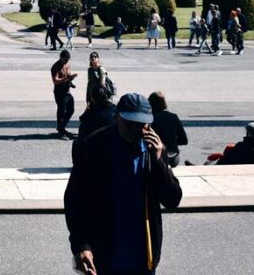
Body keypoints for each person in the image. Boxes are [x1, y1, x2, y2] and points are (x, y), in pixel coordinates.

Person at [65, 92, 183, 275]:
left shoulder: (154, 151)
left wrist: (160, 162)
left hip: (143, 259)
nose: (137, 131)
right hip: (106, 257)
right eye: (130, 124)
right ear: (116, 117)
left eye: (142, 125)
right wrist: (81, 245)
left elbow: (172, 200)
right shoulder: (94, 147)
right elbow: (75, 200)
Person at [149, 91, 188, 168]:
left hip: (157, 157)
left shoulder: (150, 119)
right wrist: (171, 141)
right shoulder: (173, 116)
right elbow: (184, 140)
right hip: (173, 158)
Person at [51, 50, 78, 139]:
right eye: (65, 60)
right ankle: (61, 131)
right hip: (59, 92)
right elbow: (55, 81)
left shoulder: (67, 65)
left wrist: (71, 77)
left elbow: (68, 75)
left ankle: (61, 127)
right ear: (61, 58)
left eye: (68, 60)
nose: (66, 62)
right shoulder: (56, 67)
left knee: (71, 109)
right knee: (61, 111)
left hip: (67, 91)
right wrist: (66, 78)